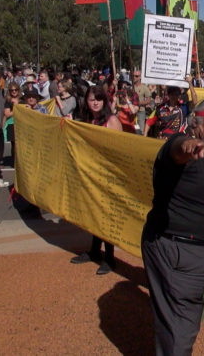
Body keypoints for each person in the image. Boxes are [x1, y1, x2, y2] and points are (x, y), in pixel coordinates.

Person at [141, 98, 204, 356]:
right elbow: (178, 150)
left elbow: (199, 193)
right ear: (196, 122)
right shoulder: (183, 145)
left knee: (182, 321)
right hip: (179, 251)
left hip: (193, 253)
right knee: (179, 327)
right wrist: (190, 145)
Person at [70, 86, 123, 275]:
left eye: (98, 99)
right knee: (93, 213)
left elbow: (118, 151)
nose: (95, 103)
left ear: (104, 101)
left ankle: (109, 258)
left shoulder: (112, 120)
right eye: (92, 99)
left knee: (106, 216)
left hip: (107, 175)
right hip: (90, 174)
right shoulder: (87, 120)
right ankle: (94, 251)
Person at [2, 82, 22, 167]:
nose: (14, 92)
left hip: (22, 123)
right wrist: (16, 108)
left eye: (15, 90)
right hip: (12, 124)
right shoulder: (8, 101)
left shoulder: (22, 100)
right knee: (14, 144)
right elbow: (7, 114)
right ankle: (14, 162)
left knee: (21, 144)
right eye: (12, 90)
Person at [133, 71, 153, 135]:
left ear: (140, 77)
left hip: (141, 111)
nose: (134, 77)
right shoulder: (131, 87)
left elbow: (149, 100)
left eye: (136, 76)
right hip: (131, 111)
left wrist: (139, 103)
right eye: (133, 76)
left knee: (140, 130)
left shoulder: (144, 87)